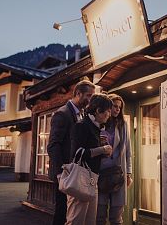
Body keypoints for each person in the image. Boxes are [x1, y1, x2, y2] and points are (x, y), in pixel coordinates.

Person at [47, 79, 95, 225]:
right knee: (62, 213)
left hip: (76, 172)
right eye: (88, 95)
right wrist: (61, 173)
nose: (90, 99)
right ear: (78, 93)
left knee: (71, 213)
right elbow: (53, 145)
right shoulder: (63, 114)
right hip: (65, 173)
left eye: (92, 96)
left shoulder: (82, 114)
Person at [66, 93, 113, 225]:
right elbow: (77, 153)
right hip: (80, 178)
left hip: (92, 178)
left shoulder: (96, 127)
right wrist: (102, 150)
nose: (109, 115)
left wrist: (102, 150)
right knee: (76, 220)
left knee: (90, 220)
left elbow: (90, 152)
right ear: (98, 110)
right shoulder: (82, 125)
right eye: (108, 111)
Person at [96, 94, 132, 225]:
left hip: (118, 174)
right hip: (100, 174)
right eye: (114, 106)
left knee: (116, 218)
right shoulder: (98, 123)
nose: (117, 109)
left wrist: (128, 172)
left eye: (119, 107)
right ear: (107, 106)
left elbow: (128, 150)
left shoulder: (123, 124)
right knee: (99, 216)